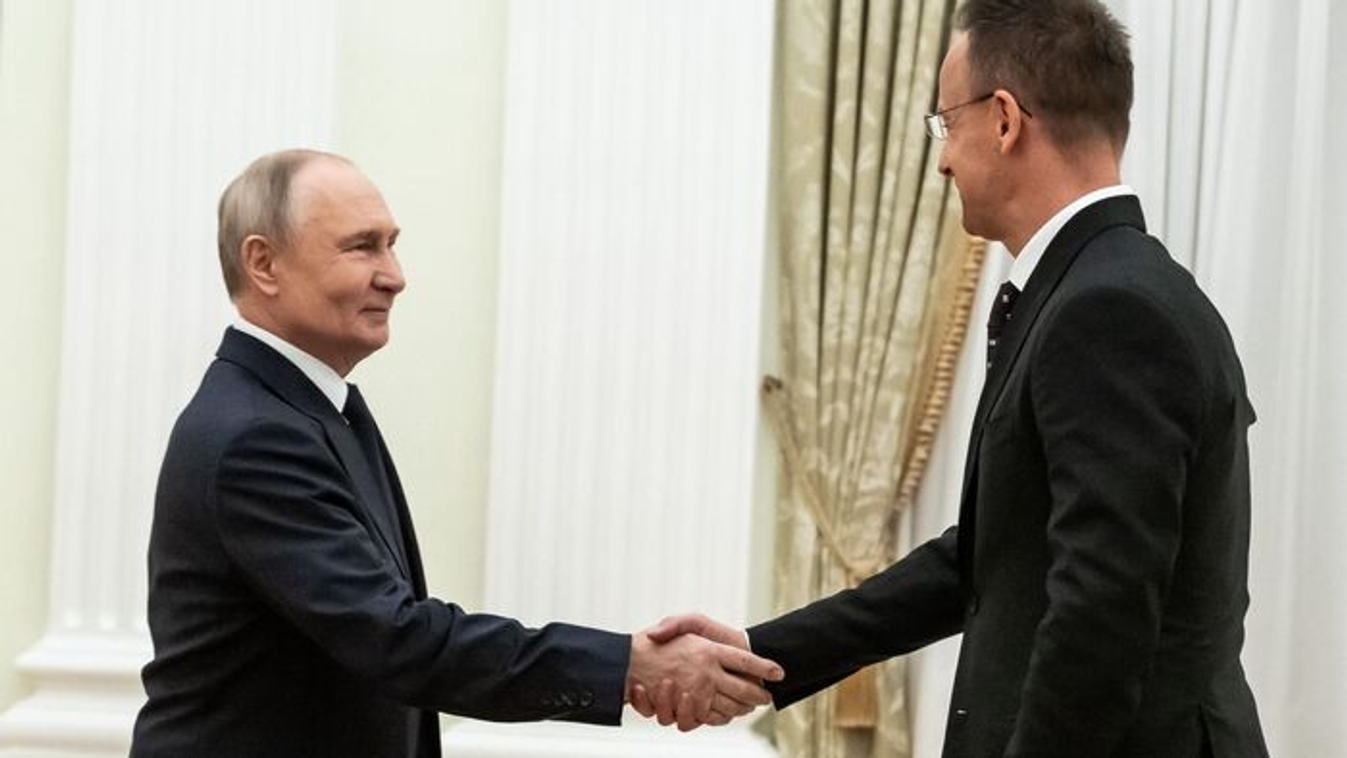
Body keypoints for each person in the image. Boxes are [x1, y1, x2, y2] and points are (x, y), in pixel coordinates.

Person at [638, 1, 1270, 755]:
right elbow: (984, 556)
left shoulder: (1106, 310)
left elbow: (1101, 618)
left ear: (1003, 120)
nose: (940, 161)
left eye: (945, 123)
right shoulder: (1112, 287)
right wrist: (762, 653)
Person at [131, 149, 782, 757]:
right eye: (361, 247)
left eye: (391, 244)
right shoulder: (255, 435)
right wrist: (628, 666)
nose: (395, 276)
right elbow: (399, 640)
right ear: (263, 264)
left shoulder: (314, 409)